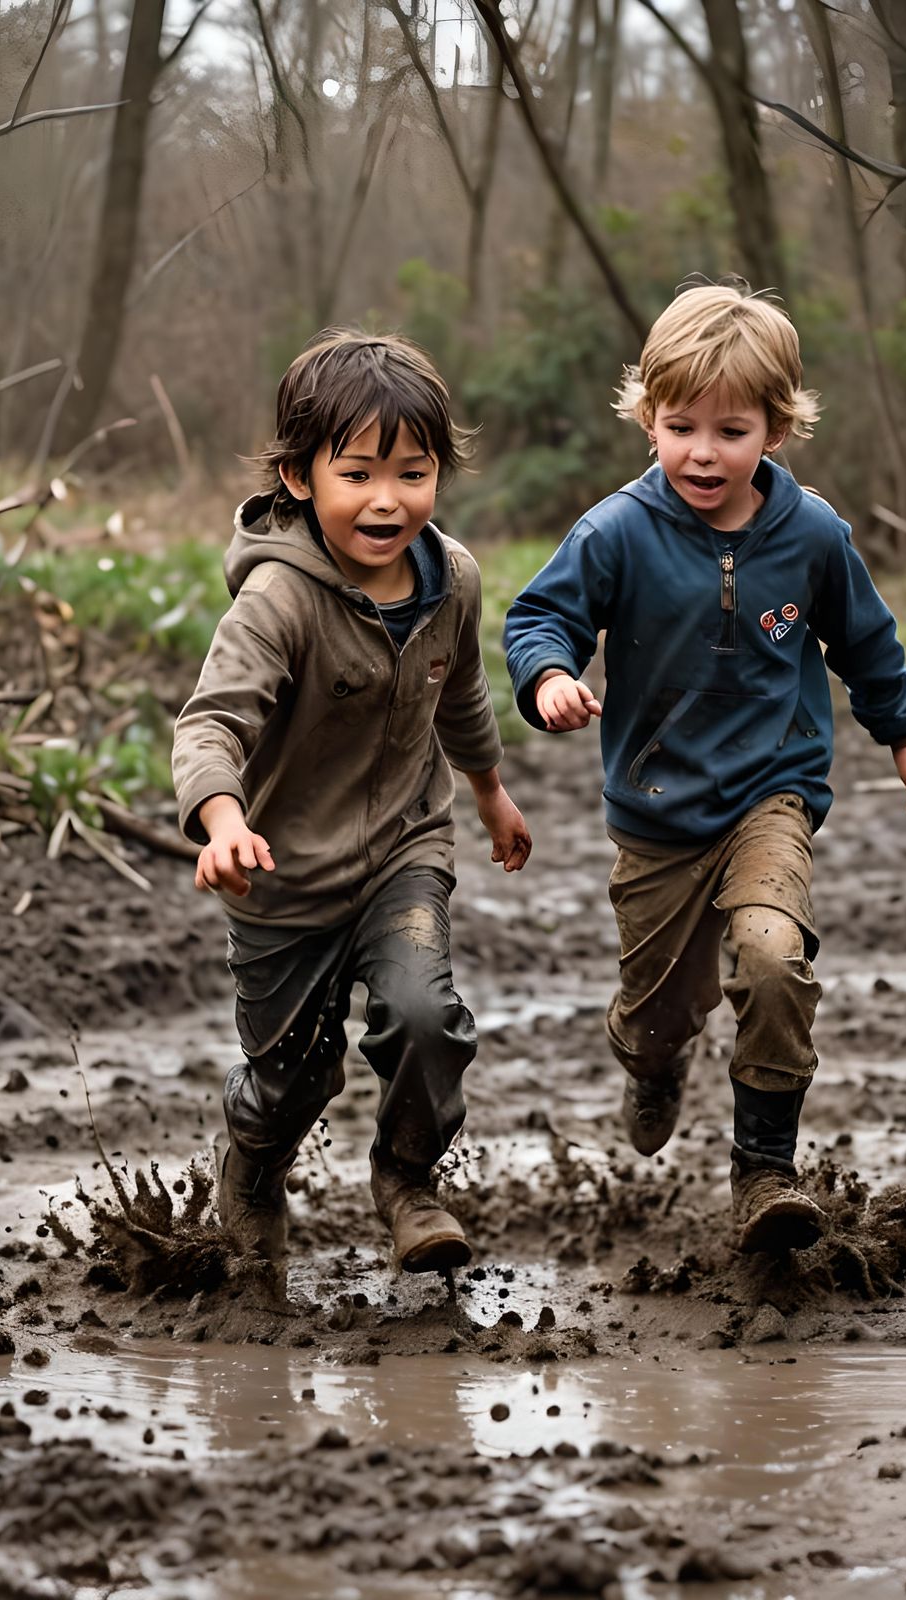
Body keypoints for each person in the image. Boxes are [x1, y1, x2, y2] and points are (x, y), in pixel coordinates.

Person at [503, 281, 906, 1254]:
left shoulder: (813, 535)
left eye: (730, 429)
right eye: (679, 425)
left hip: (769, 796)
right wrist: (546, 680)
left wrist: (904, 736)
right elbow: (541, 618)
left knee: (772, 959)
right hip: (656, 812)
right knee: (661, 1014)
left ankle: (762, 1173)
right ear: (647, 419)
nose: (702, 451)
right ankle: (653, 1063)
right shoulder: (616, 531)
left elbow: (864, 643)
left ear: (777, 430)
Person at [172, 328, 531, 1276]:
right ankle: (251, 1168)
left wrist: (490, 792)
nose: (388, 500)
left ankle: (408, 1179)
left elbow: (459, 693)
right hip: (280, 876)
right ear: (299, 477)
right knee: (293, 1078)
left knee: (422, 1014)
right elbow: (209, 724)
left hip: (404, 850)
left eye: (413, 473)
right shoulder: (278, 601)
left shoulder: (450, 578)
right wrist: (224, 820)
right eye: (359, 472)